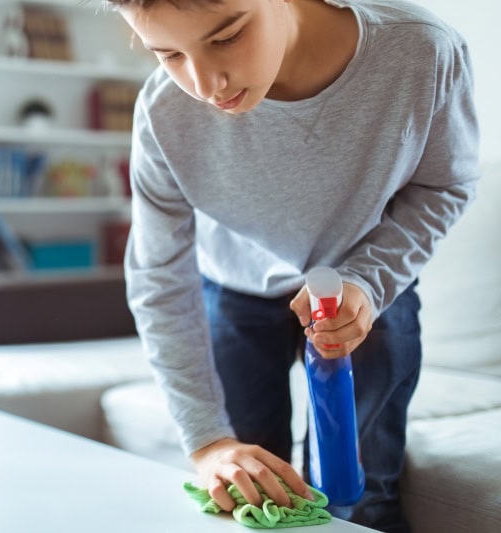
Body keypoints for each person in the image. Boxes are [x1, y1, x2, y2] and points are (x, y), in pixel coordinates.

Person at [103, 0, 480, 531]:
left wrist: (369, 281)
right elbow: (158, 278)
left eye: (227, 36)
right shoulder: (164, 112)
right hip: (233, 292)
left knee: (364, 497)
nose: (206, 83)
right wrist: (208, 441)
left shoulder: (421, 51)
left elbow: (445, 184)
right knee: (254, 499)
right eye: (167, 54)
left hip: (367, 291)